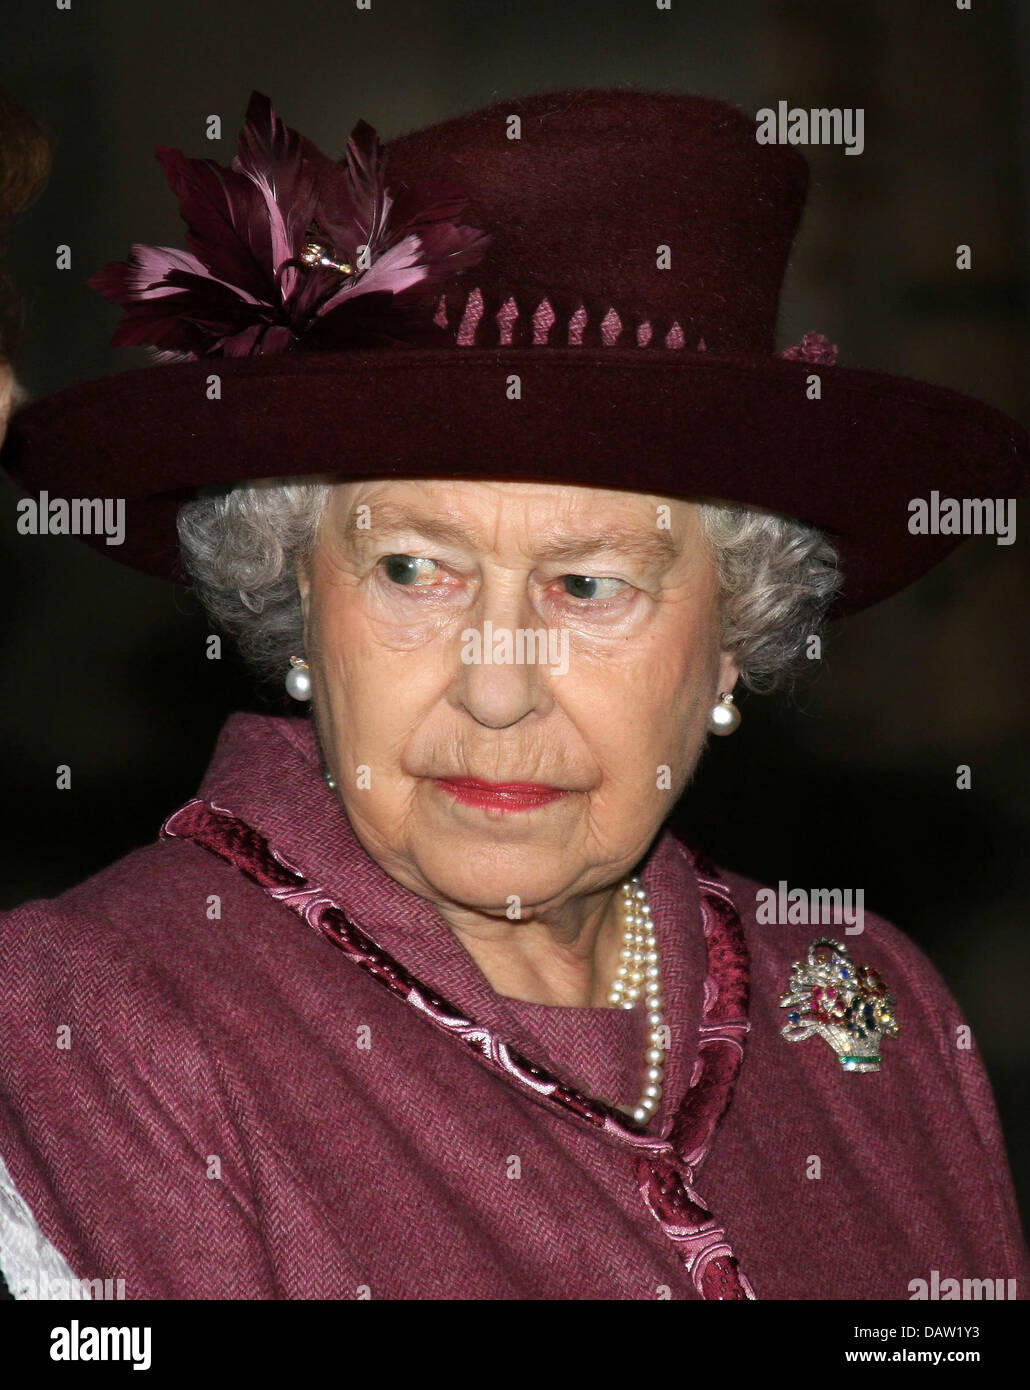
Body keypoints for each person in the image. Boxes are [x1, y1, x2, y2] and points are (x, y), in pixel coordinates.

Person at [1, 87, 1027, 1301]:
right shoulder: (106, 1012)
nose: (495, 694)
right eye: (410, 570)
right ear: (299, 602)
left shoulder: (861, 993)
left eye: (588, 585)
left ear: (732, 641)